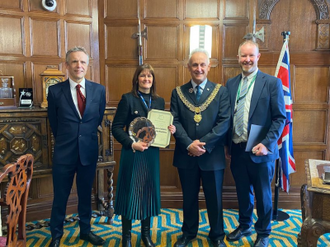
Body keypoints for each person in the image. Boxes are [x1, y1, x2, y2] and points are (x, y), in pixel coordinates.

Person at [225, 40, 286, 247]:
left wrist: (267, 143)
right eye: (243, 56)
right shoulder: (231, 84)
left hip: (261, 151)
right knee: (243, 191)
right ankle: (245, 225)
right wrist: (227, 145)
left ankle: (263, 232)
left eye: (251, 55)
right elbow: (227, 116)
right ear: (238, 58)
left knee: (263, 194)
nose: (247, 59)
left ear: (258, 57)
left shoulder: (271, 83)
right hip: (238, 148)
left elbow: (280, 118)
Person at [170, 48, 231, 247]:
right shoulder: (178, 92)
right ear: (189, 67)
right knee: (188, 197)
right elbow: (175, 121)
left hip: (211, 156)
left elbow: (224, 122)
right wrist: (189, 144)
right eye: (194, 65)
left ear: (209, 66)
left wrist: (202, 145)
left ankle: (217, 235)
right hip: (186, 154)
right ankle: (188, 233)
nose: (199, 69)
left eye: (202, 64)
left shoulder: (220, 91)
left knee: (215, 199)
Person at [47, 46, 106, 247]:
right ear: (67, 65)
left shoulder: (99, 90)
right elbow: (54, 123)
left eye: (82, 62)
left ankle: (85, 231)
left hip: (88, 153)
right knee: (60, 196)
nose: (78, 65)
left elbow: (96, 118)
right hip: (64, 154)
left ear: (88, 66)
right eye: (74, 61)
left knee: (85, 195)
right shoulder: (55, 91)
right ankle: (56, 234)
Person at [112, 63, 176, 247]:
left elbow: (159, 128)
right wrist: (132, 143)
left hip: (151, 155)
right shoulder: (127, 99)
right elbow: (116, 128)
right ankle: (126, 237)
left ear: (153, 80)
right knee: (128, 192)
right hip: (132, 153)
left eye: (149, 76)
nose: (146, 79)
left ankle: (145, 236)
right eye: (143, 76)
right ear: (137, 79)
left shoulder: (158, 101)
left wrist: (169, 129)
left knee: (147, 192)